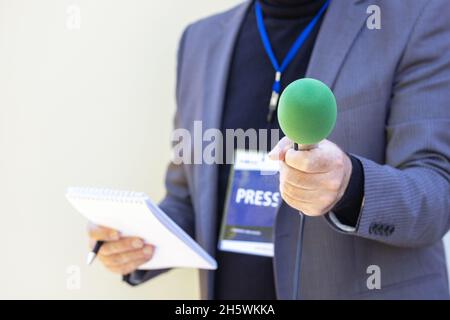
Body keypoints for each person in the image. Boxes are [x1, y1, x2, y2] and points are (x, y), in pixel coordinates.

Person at [88, 0, 450, 299]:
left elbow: (436, 194)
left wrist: (347, 186)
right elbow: (188, 201)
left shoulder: (417, 17)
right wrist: (135, 240)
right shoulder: (199, 41)